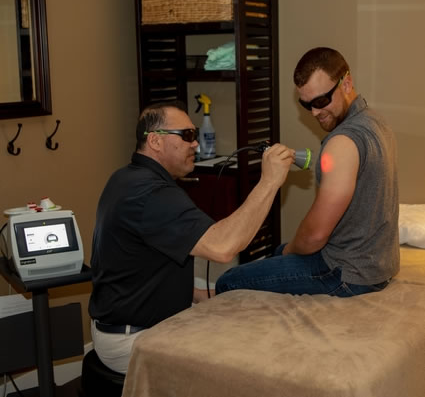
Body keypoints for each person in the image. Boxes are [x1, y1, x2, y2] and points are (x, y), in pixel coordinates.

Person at [88, 100, 295, 373]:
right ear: (155, 141)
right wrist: (269, 182)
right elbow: (223, 247)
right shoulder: (150, 194)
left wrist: (197, 295)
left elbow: (143, 267)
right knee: (246, 357)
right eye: (186, 136)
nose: (195, 144)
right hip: (134, 339)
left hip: (128, 322)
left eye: (194, 134)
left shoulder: (126, 178)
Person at [215, 46, 400, 298]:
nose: (314, 112)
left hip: (347, 273)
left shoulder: (342, 143)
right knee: (279, 252)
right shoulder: (376, 122)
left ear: (346, 83)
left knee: (228, 281)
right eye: (306, 104)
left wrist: (290, 251)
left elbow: (315, 235)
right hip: (379, 266)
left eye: (321, 101)